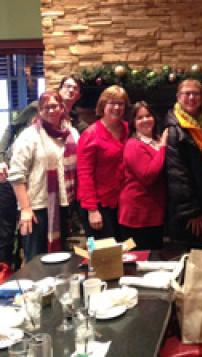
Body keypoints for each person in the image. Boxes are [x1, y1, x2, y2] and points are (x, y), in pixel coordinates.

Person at [0, 75, 84, 267]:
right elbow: (16, 175)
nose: (52, 110)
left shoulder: (71, 134)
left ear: (63, 108)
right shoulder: (30, 136)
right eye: (47, 107)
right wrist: (26, 209)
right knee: (37, 262)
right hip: (37, 208)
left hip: (64, 205)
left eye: (56, 106)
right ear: (39, 110)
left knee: (61, 260)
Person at [165, 79, 202, 250]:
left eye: (195, 93)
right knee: (194, 259)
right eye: (186, 93)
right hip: (192, 208)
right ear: (178, 97)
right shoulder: (174, 128)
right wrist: (191, 211)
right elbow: (176, 174)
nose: (191, 97)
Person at [77, 85, 129, 241]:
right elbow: (84, 173)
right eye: (112, 103)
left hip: (122, 203)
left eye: (121, 103)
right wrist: (92, 210)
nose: (117, 107)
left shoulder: (128, 129)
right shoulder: (90, 134)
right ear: (103, 106)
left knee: (126, 253)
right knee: (105, 258)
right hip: (99, 204)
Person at [119, 101, 168, 250]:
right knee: (140, 261)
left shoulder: (155, 141)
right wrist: (163, 147)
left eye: (148, 115)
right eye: (140, 118)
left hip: (154, 212)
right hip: (137, 215)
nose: (145, 120)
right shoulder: (133, 145)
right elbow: (148, 176)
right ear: (133, 123)